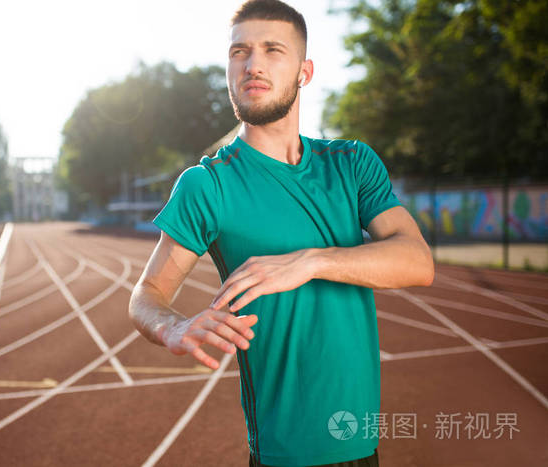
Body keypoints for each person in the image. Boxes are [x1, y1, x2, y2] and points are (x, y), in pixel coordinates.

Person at [128, 0, 434, 465]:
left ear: (304, 72)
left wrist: (311, 261)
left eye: (273, 50)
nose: (253, 64)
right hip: (283, 454)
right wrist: (172, 325)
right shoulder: (208, 184)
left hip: (362, 446)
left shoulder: (351, 164)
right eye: (239, 52)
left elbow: (418, 261)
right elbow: (147, 295)